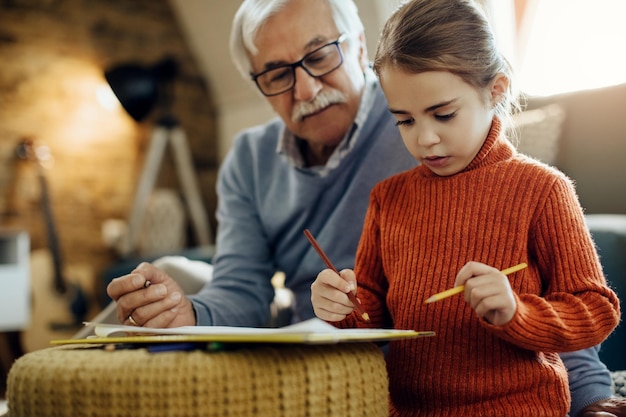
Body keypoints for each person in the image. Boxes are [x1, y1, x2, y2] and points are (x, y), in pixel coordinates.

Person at [106, 0, 625, 415]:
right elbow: (253, 290)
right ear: (257, 86)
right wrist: (190, 316)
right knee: (163, 286)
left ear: (358, 49)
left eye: (319, 56)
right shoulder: (267, 162)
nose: (305, 88)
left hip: (495, 394)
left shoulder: (520, 177)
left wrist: (589, 396)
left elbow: (569, 294)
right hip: (344, 361)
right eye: (276, 74)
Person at [309, 0, 621, 415]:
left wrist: (517, 311)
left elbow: (597, 310)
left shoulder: (543, 189)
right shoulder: (388, 198)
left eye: (443, 114)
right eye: (405, 120)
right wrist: (343, 306)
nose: (425, 139)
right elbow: (374, 316)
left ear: (496, 90)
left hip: (519, 407)